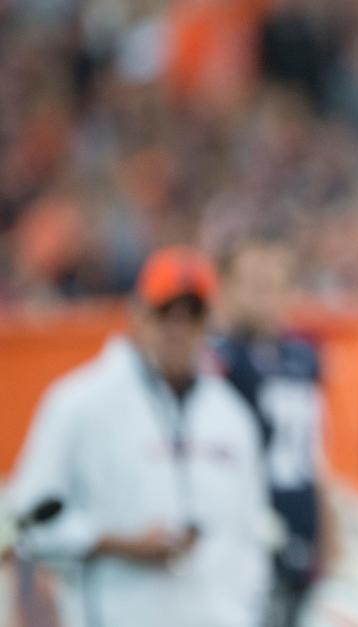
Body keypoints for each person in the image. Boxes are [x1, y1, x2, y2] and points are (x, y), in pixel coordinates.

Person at [8, 247, 271, 627]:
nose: (177, 330)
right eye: (165, 314)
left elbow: (251, 532)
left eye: (191, 315)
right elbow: (26, 521)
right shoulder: (80, 404)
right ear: (137, 314)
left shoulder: (231, 415)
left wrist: (246, 609)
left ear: (208, 323)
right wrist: (113, 543)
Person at [212, 234, 327, 627]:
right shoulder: (218, 360)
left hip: (297, 518)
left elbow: (313, 453)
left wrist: (328, 529)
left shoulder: (302, 355)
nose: (267, 296)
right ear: (225, 289)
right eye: (255, 284)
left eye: (275, 284)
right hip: (241, 531)